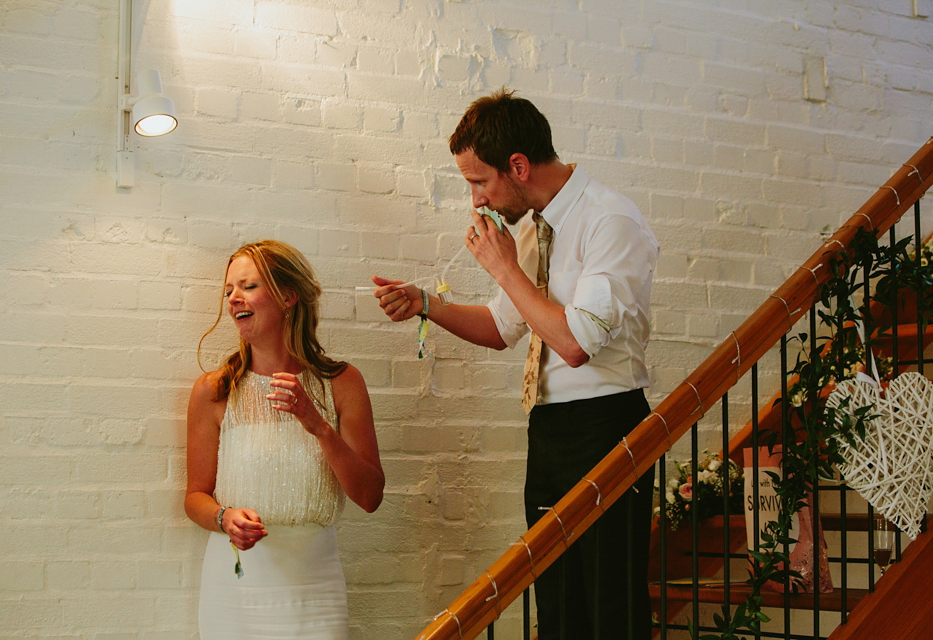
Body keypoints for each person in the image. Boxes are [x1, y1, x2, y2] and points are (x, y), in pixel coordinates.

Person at [372, 89, 658, 640]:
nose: (476, 201)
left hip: (608, 426)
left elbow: (574, 344)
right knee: (556, 606)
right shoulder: (536, 227)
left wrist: (505, 269)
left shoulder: (610, 220)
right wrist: (426, 304)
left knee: (610, 609)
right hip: (548, 429)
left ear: (518, 166)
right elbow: (504, 328)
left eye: (480, 182)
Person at [186, 240, 385, 639]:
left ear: (288, 296)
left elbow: (370, 497)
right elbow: (195, 497)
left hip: (314, 587)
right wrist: (224, 519)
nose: (233, 299)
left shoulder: (342, 384)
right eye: (228, 291)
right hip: (236, 588)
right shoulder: (215, 390)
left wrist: (317, 425)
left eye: (248, 286)